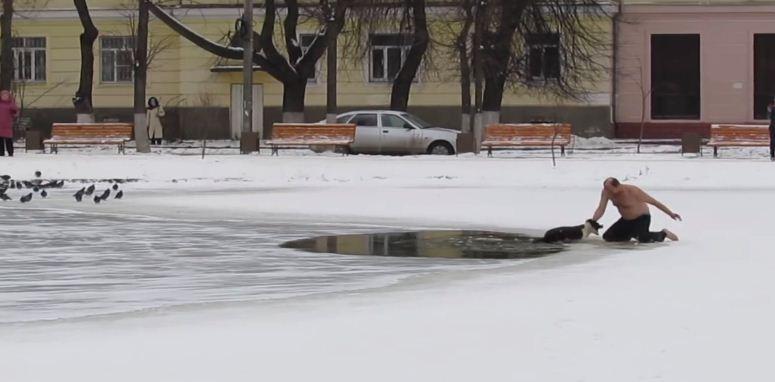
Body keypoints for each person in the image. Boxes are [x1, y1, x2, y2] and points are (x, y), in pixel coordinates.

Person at [592, 177, 681, 243]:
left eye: (609, 189)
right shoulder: (606, 192)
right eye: (605, 188)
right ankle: (631, 234)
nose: (607, 191)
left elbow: (654, 202)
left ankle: (664, 233)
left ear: (617, 186)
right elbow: (601, 209)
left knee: (643, 238)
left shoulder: (632, 191)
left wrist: (670, 213)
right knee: (608, 237)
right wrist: (593, 221)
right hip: (626, 220)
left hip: (642, 218)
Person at [0, 90, 19, 157]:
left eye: (6, 95)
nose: (4, 97)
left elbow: (15, 112)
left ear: (8, 96)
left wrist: (15, 111)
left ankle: (10, 152)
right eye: (3, 95)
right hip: (0, 124)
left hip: (7, 124)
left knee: (8, 139)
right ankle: (1, 152)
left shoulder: (11, 103)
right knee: (0, 140)